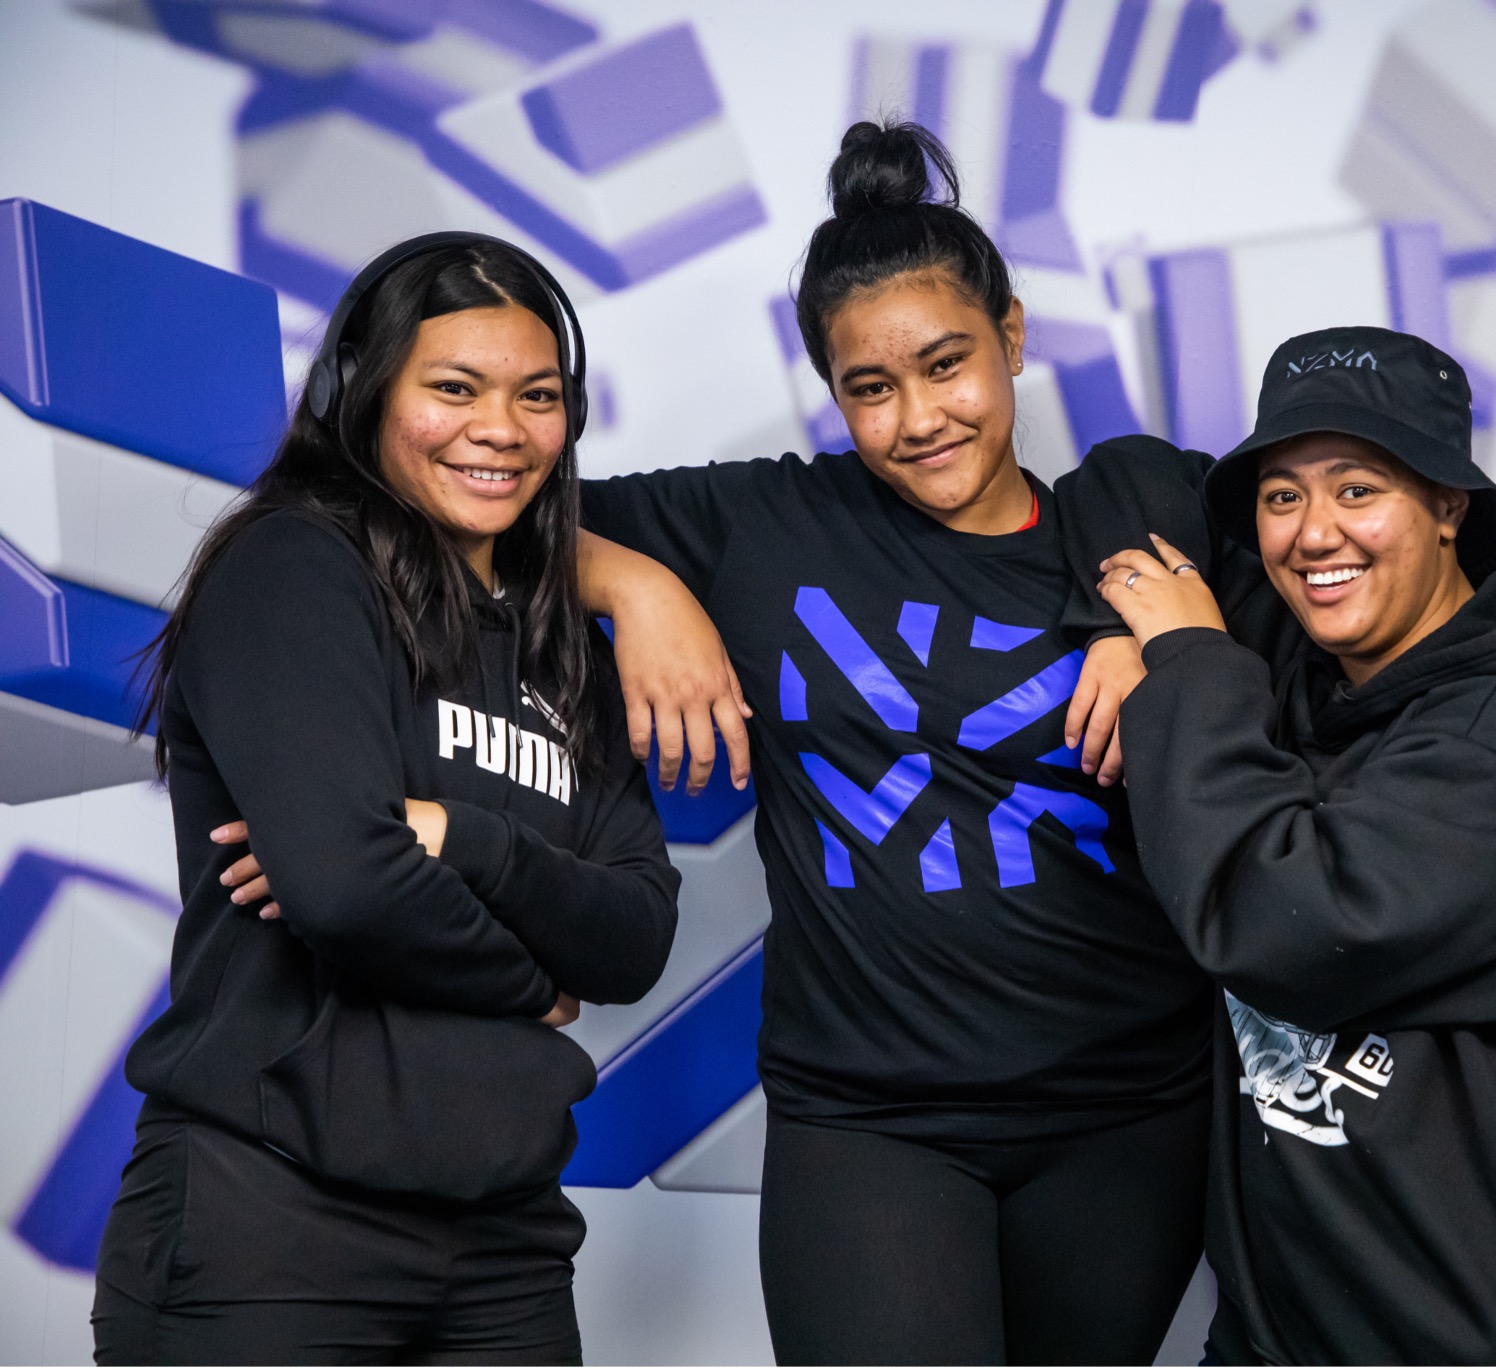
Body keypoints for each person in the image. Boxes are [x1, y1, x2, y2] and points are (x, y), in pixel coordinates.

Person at [572, 121, 1214, 1366]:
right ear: (832, 390)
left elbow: (1354, 598)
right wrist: (632, 588)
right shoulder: (764, 527)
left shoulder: (1135, 523)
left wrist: (1158, 631)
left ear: (1013, 339)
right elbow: (473, 522)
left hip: (1129, 1120)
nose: (919, 416)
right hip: (870, 1119)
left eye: (947, 364)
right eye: (870, 386)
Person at [94, 234, 681, 1365]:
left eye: (538, 395)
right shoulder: (295, 568)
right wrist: (529, 980)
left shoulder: (561, 652)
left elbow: (636, 933)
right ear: (363, 392)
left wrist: (465, 839)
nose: (501, 429)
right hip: (267, 1219)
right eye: (453, 387)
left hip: (506, 1240)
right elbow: (346, 882)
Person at [1078, 325, 1496, 1363]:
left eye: (1359, 489)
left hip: (1489, 1316)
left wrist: (1188, 658)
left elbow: (1288, 923)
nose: (1314, 533)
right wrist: (1118, 626)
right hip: (1291, 1314)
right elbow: (1125, 477)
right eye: (1283, 496)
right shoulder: (1310, 652)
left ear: (1448, 507)